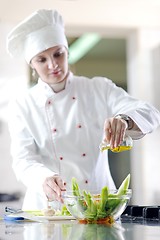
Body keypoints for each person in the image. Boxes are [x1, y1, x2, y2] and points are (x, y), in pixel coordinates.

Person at [6, 9, 160, 210]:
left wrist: (125, 120)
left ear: (67, 52)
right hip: (49, 209)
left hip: (100, 206)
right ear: (32, 66)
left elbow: (151, 113)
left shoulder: (99, 88)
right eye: (42, 59)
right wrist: (43, 178)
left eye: (58, 54)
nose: (53, 64)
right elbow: (23, 159)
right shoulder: (22, 104)